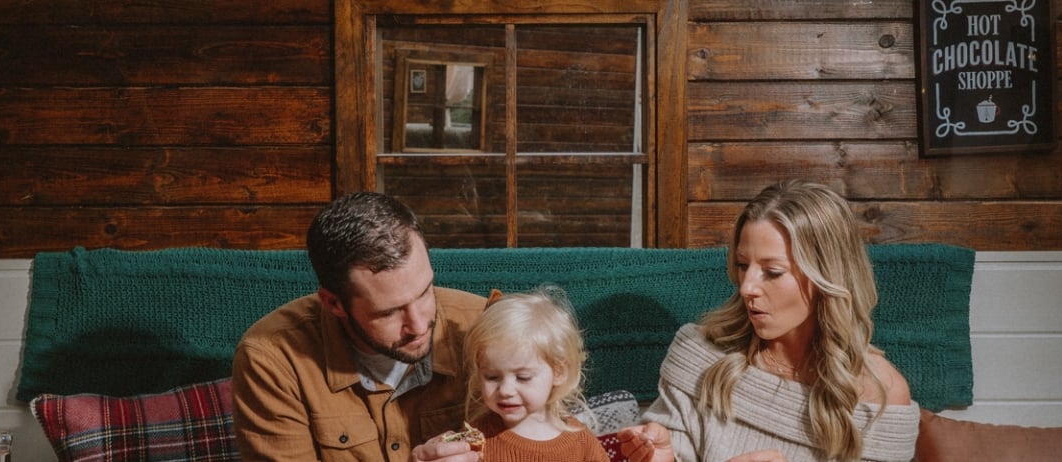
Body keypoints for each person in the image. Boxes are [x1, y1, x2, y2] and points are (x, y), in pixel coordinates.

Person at [619, 180, 919, 462]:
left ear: (826, 276)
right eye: (742, 265)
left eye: (772, 272)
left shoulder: (882, 394)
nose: (747, 287)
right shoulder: (698, 357)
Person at [232, 192, 489, 461]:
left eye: (425, 292)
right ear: (334, 303)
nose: (419, 324)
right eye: (389, 312)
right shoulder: (271, 359)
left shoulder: (485, 326)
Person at [459, 285, 611, 462]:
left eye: (523, 377)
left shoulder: (580, 441)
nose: (506, 390)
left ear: (558, 372)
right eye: (492, 377)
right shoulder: (474, 442)